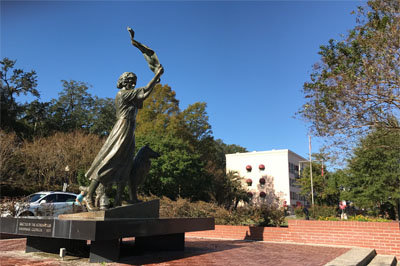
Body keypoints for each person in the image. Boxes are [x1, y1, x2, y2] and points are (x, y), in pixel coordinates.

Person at [83, 30, 164, 211]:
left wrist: (155, 81)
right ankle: (89, 195)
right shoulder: (123, 94)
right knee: (109, 160)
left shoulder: (132, 96)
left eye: (134, 80)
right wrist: (156, 76)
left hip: (129, 130)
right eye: (131, 80)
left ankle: (121, 199)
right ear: (125, 82)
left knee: (126, 163)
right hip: (122, 128)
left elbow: (143, 95)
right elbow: (143, 90)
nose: (133, 83)